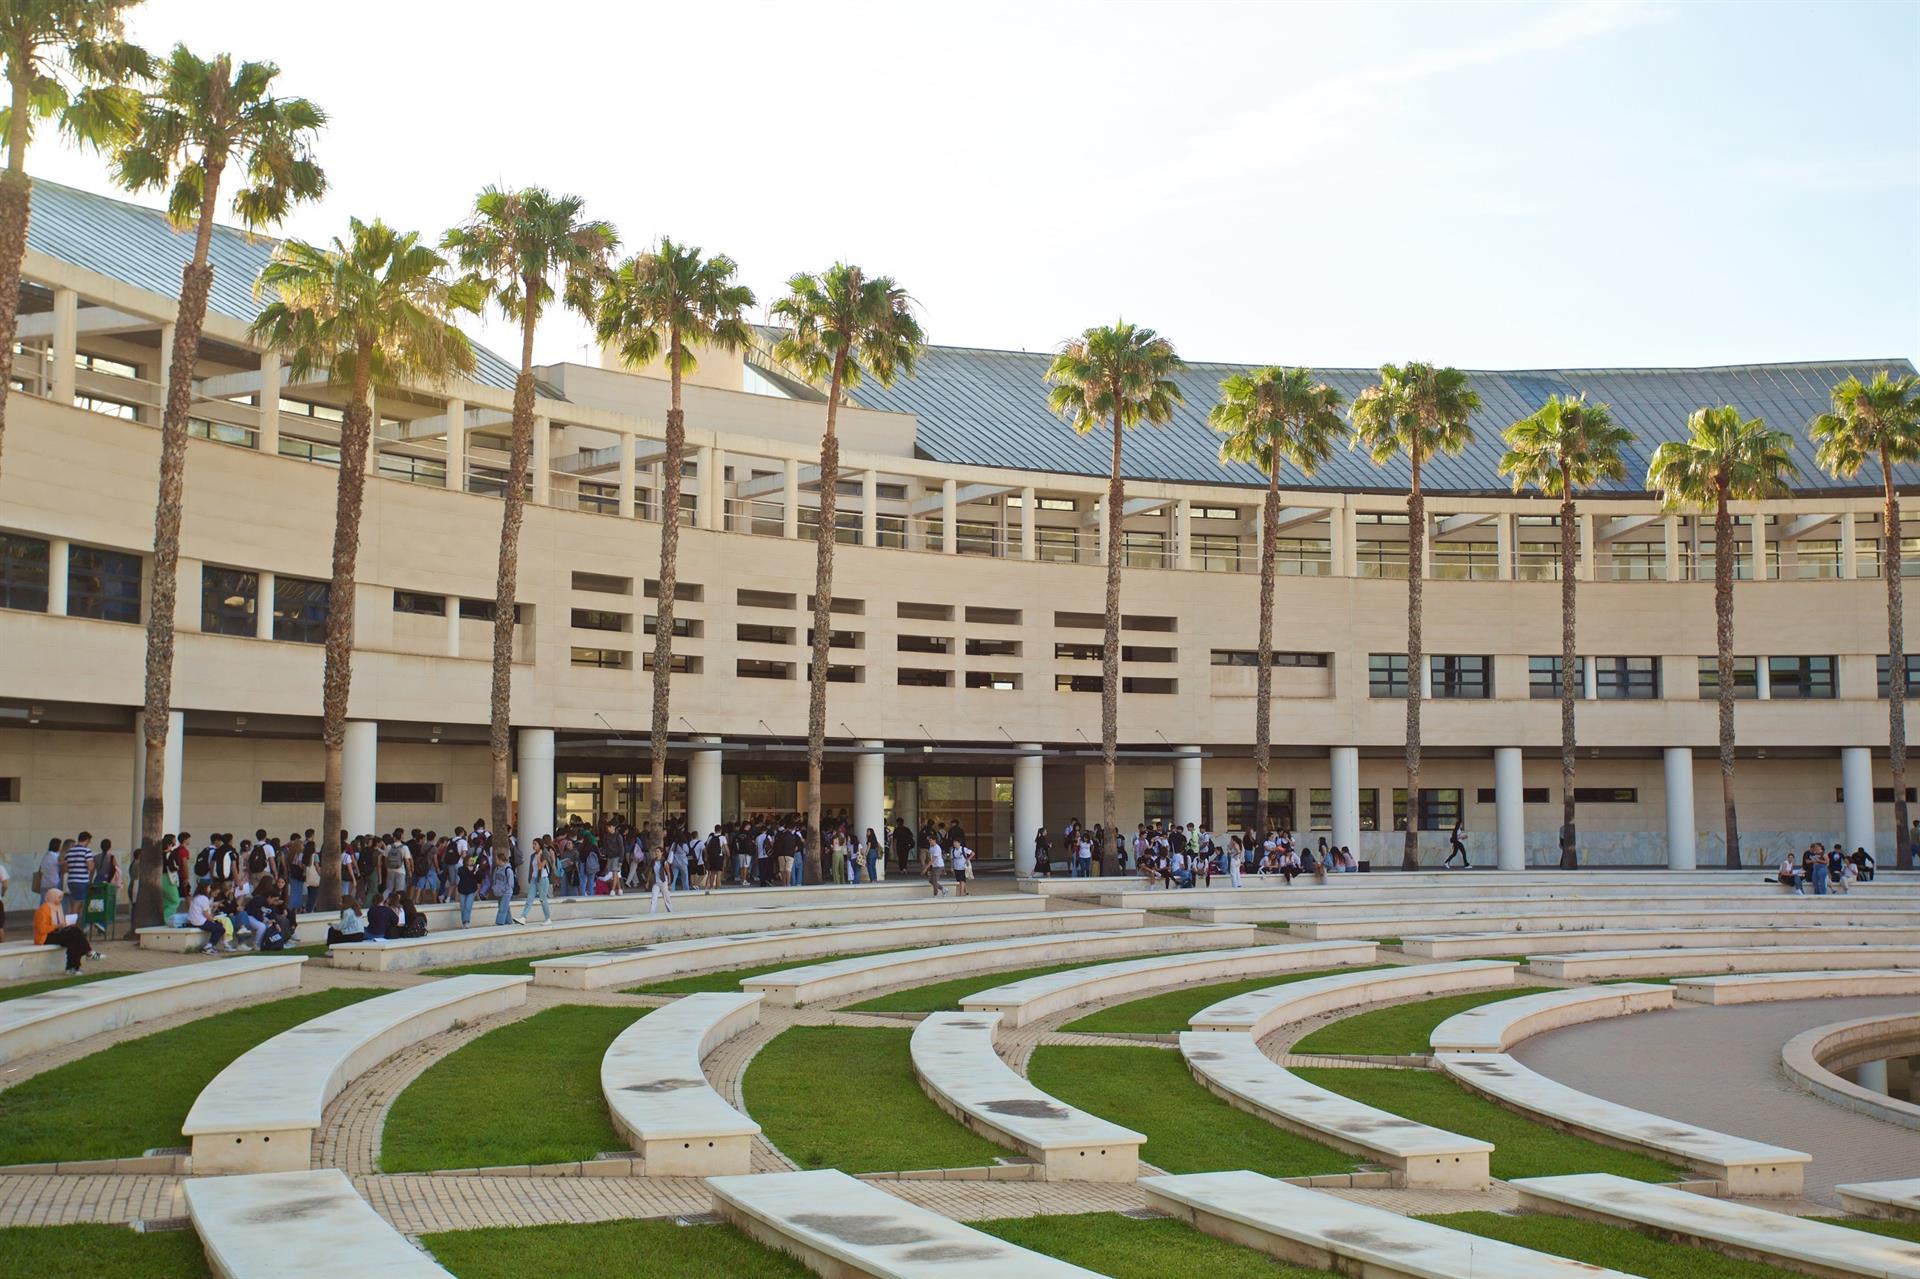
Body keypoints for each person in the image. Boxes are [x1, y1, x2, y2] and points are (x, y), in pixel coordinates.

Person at [33, 888, 94, 973]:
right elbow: (41, 928)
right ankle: (87, 953)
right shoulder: (43, 909)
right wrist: (57, 926)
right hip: (45, 937)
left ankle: (74, 966)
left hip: (55, 932)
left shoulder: (57, 907)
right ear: (52, 897)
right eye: (59, 897)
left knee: (74, 934)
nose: (60, 900)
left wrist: (65, 924)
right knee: (74, 934)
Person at [523, 838, 555, 924]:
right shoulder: (533, 855)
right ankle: (523, 917)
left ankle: (548, 918)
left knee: (543, 899)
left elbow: (540, 866)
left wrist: (538, 857)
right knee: (529, 898)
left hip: (543, 879)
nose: (533, 846)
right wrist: (530, 877)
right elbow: (532, 868)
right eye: (533, 844)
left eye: (535, 844)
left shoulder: (545, 854)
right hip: (534, 878)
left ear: (540, 845)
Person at [490, 851, 517, 926]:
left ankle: (499, 922)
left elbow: (510, 883)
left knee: (502, 908)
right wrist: (494, 888)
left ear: (500, 860)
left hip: (506, 892)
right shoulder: (497, 869)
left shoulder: (508, 870)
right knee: (505, 907)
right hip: (498, 892)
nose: (496, 861)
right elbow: (494, 879)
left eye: (497, 859)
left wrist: (504, 889)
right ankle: (509, 921)